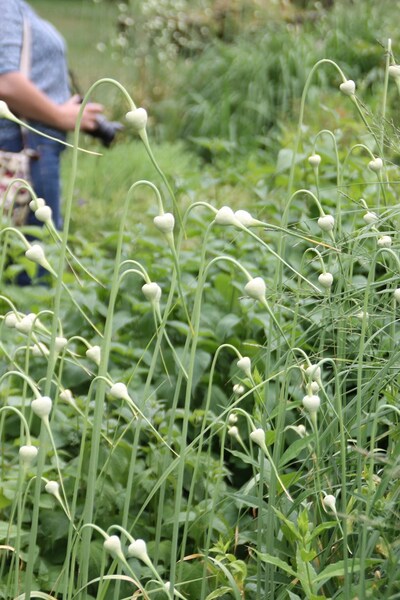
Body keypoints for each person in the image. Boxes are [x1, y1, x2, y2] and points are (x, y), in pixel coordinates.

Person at [0, 0, 103, 253]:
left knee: (24, 251)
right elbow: (6, 80)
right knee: (33, 258)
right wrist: (60, 115)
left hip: (31, 145)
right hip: (25, 148)